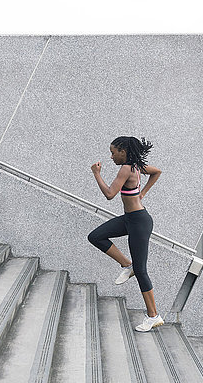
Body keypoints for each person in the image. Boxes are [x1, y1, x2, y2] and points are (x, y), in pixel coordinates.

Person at [87, 136, 163, 332]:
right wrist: (142, 193)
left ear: (124, 151)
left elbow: (110, 194)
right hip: (130, 219)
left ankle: (153, 316)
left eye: (113, 152)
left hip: (139, 222)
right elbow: (157, 172)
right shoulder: (136, 166)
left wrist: (96, 173)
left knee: (142, 271)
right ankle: (127, 265)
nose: (111, 156)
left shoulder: (126, 168)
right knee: (96, 236)